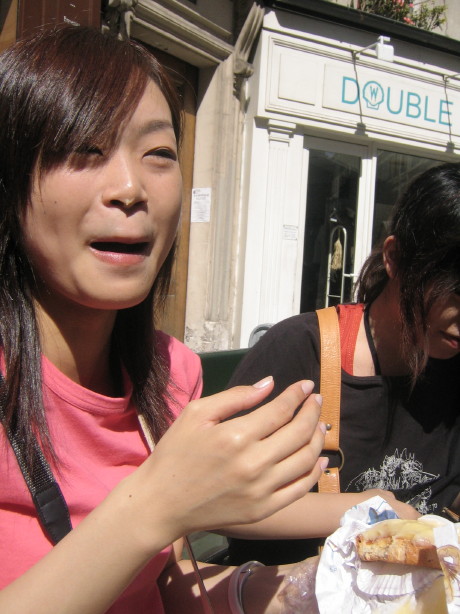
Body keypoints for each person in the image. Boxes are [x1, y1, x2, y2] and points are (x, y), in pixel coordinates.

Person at [0, 25, 328, 613]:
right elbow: (154, 519)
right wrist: (155, 505)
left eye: (158, 155)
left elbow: (163, 583)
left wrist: (308, 589)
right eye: (84, 149)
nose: (130, 188)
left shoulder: (172, 372)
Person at [224, 162, 460, 566]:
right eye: (455, 292)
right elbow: (213, 503)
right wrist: (369, 509)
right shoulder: (301, 351)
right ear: (395, 259)